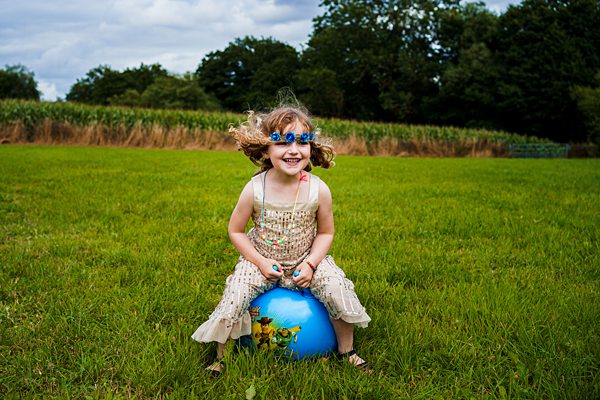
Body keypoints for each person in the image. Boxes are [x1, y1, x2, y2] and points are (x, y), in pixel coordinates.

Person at [191, 106, 371, 376]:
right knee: (236, 295)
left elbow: (326, 233)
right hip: (262, 259)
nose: (294, 149)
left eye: (302, 141)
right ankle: (221, 357)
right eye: (283, 142)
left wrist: (311, 264)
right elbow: (236, 231)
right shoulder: (255, 189)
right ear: (265, 150)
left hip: (306, 258)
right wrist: (260, 261)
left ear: (311, 147)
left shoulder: (318, 189)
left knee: (336, 288)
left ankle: (348, 350)